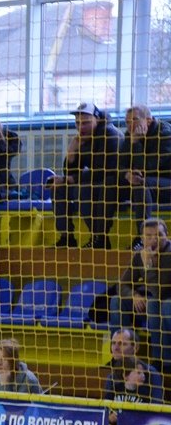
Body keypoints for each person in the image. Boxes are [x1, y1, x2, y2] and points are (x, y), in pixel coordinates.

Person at [50, 103, 124, 249]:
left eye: (86, 123)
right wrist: (71, 153)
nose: (81, 127)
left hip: (113, 184)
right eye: (78, 123)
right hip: (94, 182)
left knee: (83, 189)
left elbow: (104, 170)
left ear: (97, 119)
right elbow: (70, 173)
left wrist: (72, 179)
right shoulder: (85, 138)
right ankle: (66, 238)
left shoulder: (110, 135)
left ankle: (99, 238)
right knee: (58, 188)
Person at [112, 218, 171, 375]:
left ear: (167, 235)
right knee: (116, 301)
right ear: (142, 238)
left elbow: (159, 291)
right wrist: (134, 295)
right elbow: (121, 285)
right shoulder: (140, 255)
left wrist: (148, 264)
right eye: (148, 236)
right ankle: (121, 357)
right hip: (153, 303)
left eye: (158, 235)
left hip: (165, 302)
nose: (153, 239)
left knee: (154, 303)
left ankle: (162, 361)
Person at [120, 104, 171, 243]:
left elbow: (148, 167)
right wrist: (127, 174)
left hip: (166, 183)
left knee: (141, 183)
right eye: (127, 122)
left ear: (148, 120)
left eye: (135, 120)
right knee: (110, 182)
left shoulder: (165, 135)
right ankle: (100, 238)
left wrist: (136, 143)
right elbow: (119, 165)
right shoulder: (129, 134)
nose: (130, 125)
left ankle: (143, 238)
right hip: (146, 182)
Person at [103, 327, 164, 404]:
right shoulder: (112, 376)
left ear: (135, 348)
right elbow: (108, 407)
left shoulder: (150, 373)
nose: (116, 348)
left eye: (122, 344)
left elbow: (157, 406)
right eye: (113, 343)